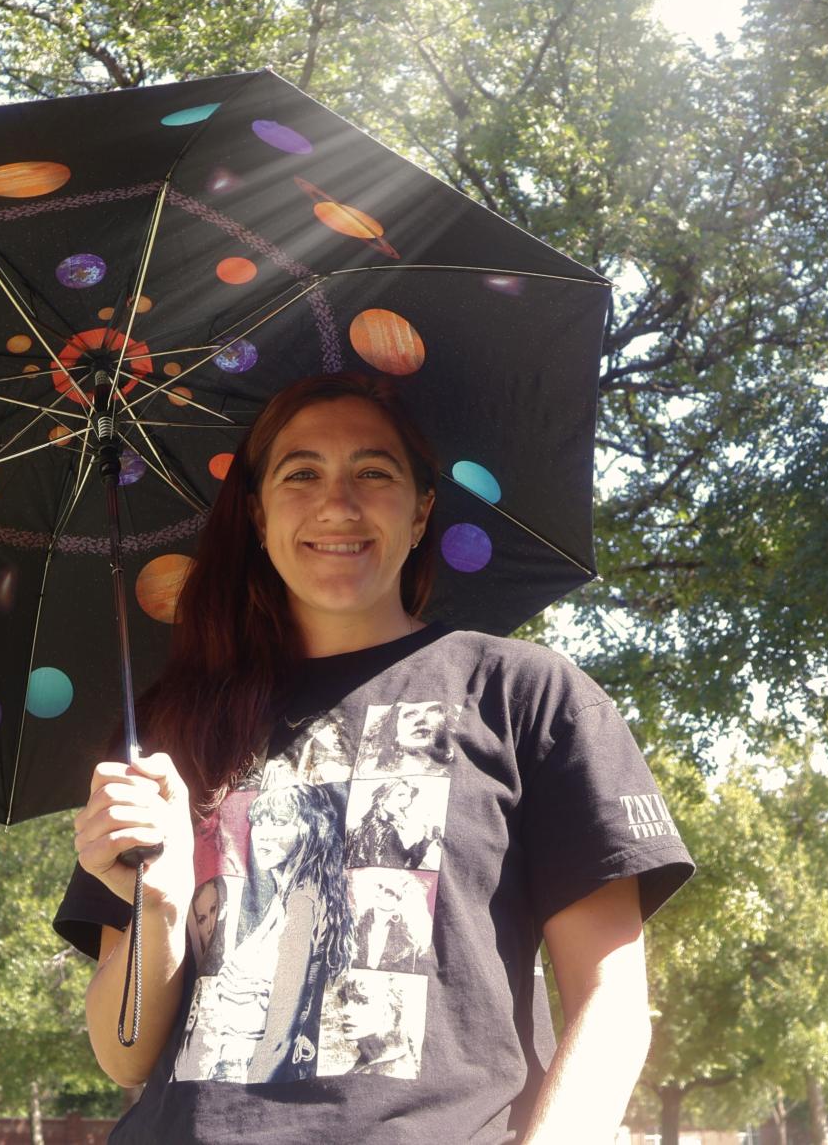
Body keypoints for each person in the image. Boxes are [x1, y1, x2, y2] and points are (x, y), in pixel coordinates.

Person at [56, 372, 694, 1143]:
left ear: (422, 510)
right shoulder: (171, 727)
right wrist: (155, 904)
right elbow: (123, 1058)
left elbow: (611, 1001)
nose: (337, 504)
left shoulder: (524, 695)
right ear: (257, 515)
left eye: (373, 472)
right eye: (301, 474)